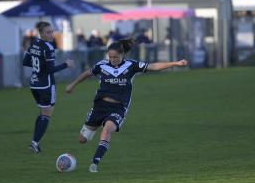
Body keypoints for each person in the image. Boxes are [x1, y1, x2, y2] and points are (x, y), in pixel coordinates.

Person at [65, 39, 188, 172]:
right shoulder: (102, 65)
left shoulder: (131, 65)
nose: (113, 59)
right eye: (110, 57)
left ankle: (95, 163)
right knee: (82, 140)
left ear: (122, 54)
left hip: (118, 107)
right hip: (99, 107)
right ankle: (92, 128)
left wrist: (175, 63)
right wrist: (73, 84)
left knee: (107, 130)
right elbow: (87, 73)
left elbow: (153, 66)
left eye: (116, 57)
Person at [22, 21, 74, 153]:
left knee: (42, 113)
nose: (51, 34)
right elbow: (50, 70)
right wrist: (66, 64)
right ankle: (34, 143)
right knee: (46, 115)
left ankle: (35, 141)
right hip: (46, 85)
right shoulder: (48, 47)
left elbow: (26, 61)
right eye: (48, 32)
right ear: (41, 33)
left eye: (52, 31)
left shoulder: (34, 43)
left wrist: (38, 67)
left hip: (34, 84)